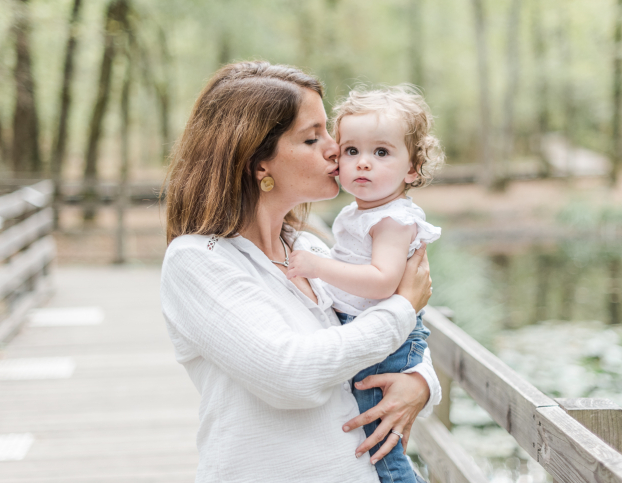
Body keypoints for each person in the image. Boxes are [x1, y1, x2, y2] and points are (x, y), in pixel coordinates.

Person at [160, 61, 441, 483]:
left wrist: (420, 381)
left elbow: (379, 329)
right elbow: (289, 373)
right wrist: (403, 307)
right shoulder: (198, 260)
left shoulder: (309, 248)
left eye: (329, 132)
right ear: (259, 163)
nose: (335, 148)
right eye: (313, 138)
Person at [286, 85, 444, 483]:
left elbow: (382, 282)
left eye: (382, 152)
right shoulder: (362, 212)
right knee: (375, 438)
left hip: (385, 348)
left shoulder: (391, 220)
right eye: (352, 150)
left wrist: (318, 266)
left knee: (380, 445)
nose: (363, 163)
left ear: (412, 169)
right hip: (373, 332)